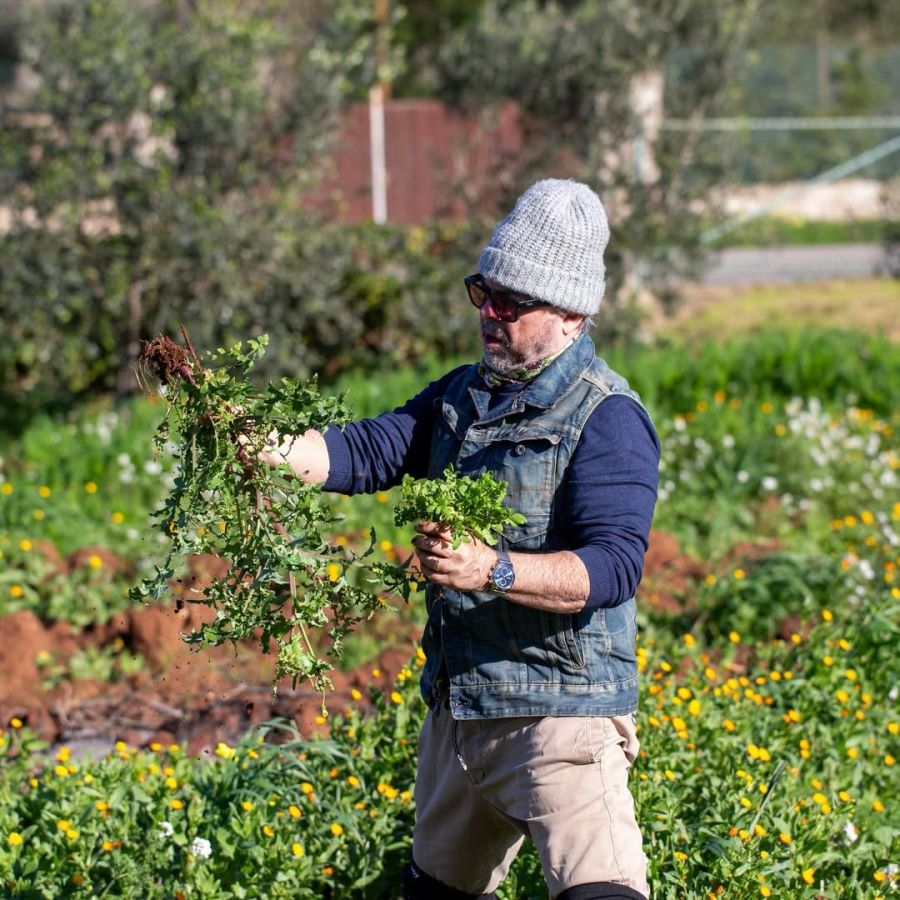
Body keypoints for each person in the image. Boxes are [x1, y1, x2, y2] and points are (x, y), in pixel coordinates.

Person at [265, 179, 659, 900]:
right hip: (462, 715)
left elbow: (612, 567)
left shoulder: (608, 418)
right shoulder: (459, 398)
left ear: (571, 312)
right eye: (486, 292)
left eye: (515, 302)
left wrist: (492, 569)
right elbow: (366, 452)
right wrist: (261, 447)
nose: (492, 314)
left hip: (560, 715)